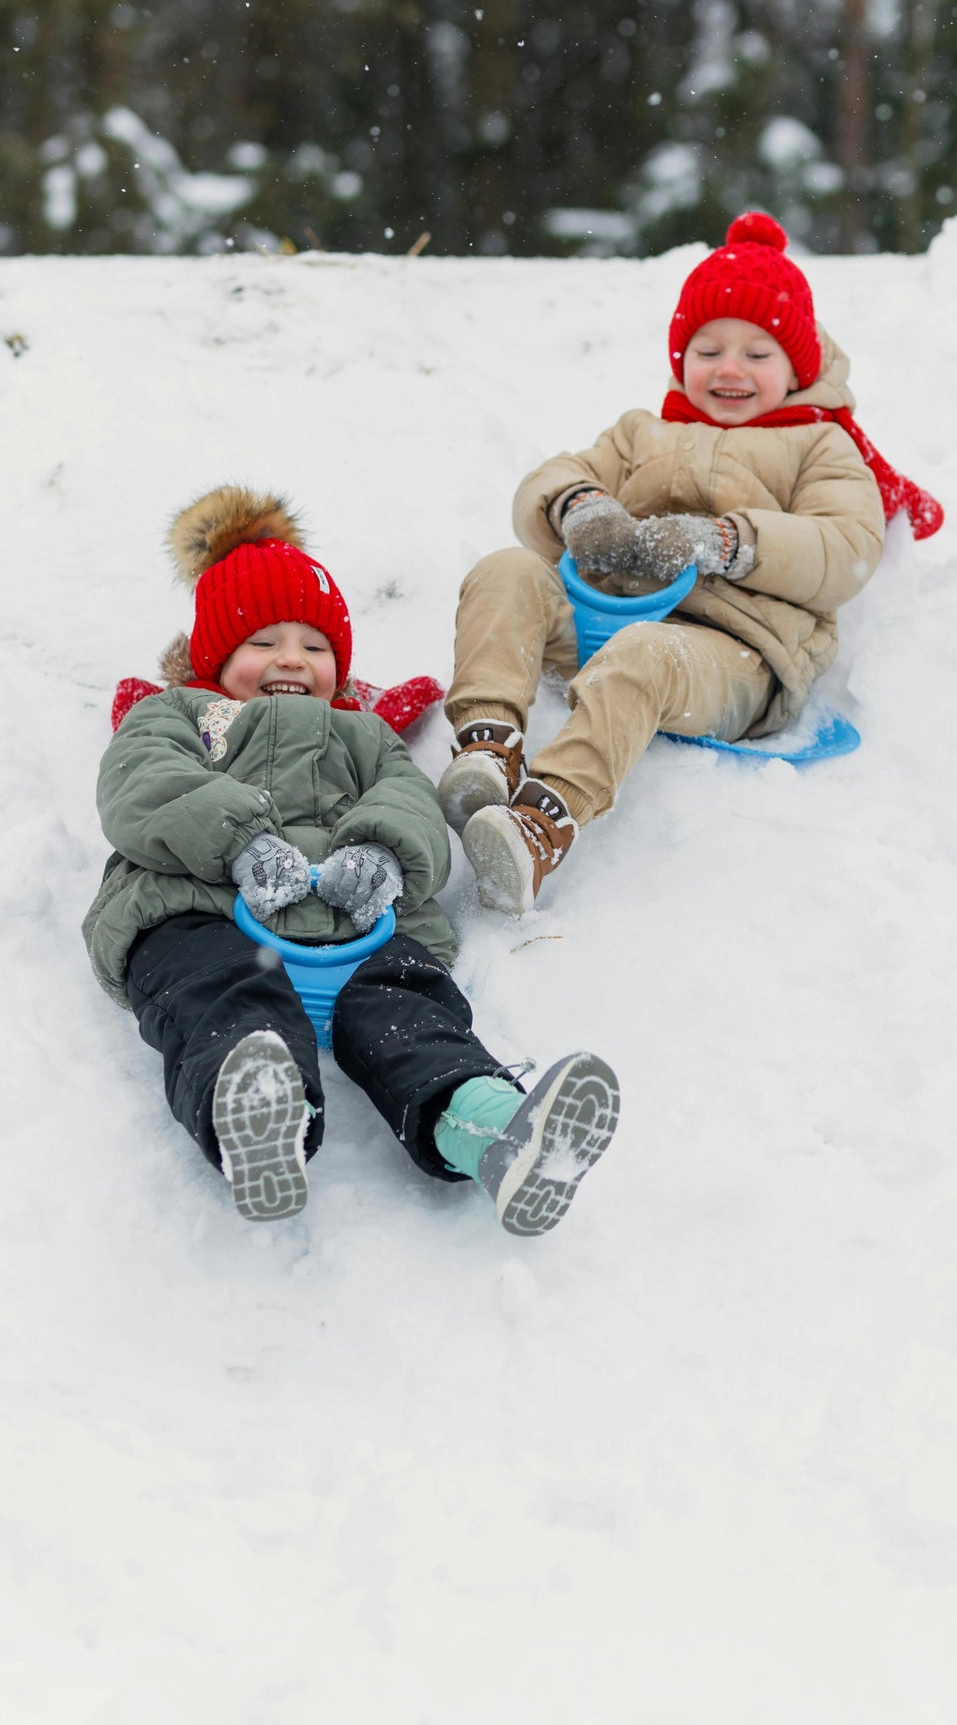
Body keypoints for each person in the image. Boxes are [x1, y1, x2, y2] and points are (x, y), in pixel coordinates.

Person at [82, 486, 619, 1227]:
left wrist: (380, 851)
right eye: (262, 643)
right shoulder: (178, 715)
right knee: (220, 1002)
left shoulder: (362, 735)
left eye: (314, 646)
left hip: (356, 926)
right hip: (205, 913)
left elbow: (409, 802)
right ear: (215, 654)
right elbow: (142, 785)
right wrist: (239, 840)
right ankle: (262, 1122)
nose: (291, 661)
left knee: (412, 1018)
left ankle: (491, 1128)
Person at [439, 211, 942, 914]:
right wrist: (581, 506)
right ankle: (487, 747)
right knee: (504, 571)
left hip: (733, 657)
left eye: (756, 353)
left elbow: (845, 552)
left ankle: (537, 828)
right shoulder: (642, 431)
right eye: (708, 349)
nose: (729, 369)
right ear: (681, 358)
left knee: (645, 654)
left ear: (796, 365)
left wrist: (727, 542)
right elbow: (545, 481)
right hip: (600, 620)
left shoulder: (820, 447)